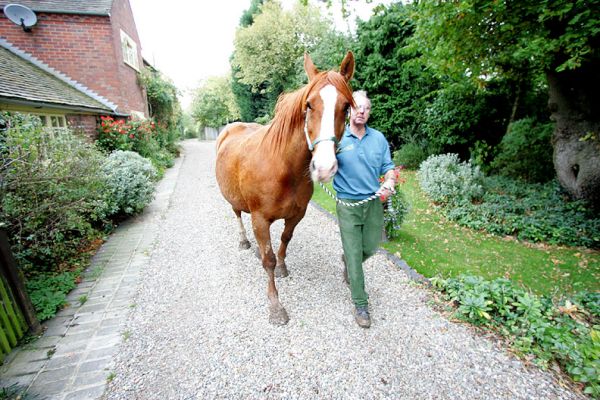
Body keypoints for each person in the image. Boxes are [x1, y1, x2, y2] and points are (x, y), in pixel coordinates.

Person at [333, 90, 396, 328]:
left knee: (370, 248)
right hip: (348, 205)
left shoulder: (378, 139)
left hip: (372, 203)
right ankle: (361, 305)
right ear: (349, 110)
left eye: (366, 108)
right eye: (357, 107)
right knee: (354, 257)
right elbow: (323, 161)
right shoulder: (338, 138)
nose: (361, 111)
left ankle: (349, 261)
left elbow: (388, 167)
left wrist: (389, 182)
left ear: (369, 112)